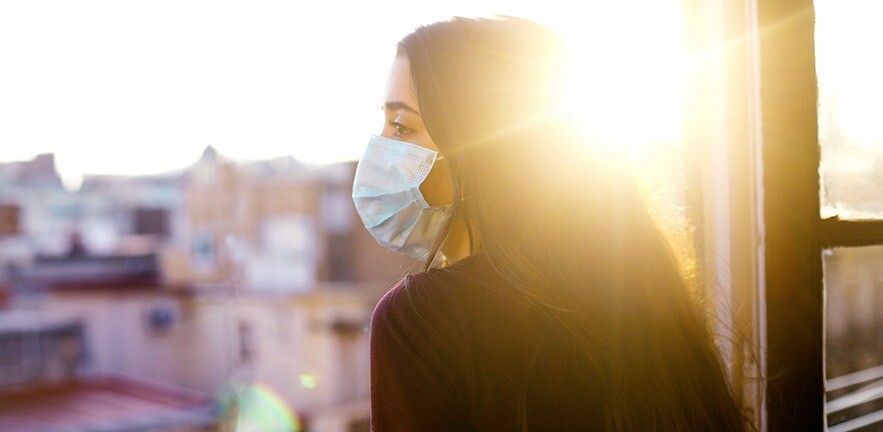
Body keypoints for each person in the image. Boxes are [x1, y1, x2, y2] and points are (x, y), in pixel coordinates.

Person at [352, 16, 750, 431]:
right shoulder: (640, 294)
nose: (378, 147)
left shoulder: (418, 322)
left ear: (481, 149)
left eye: (401, 125)